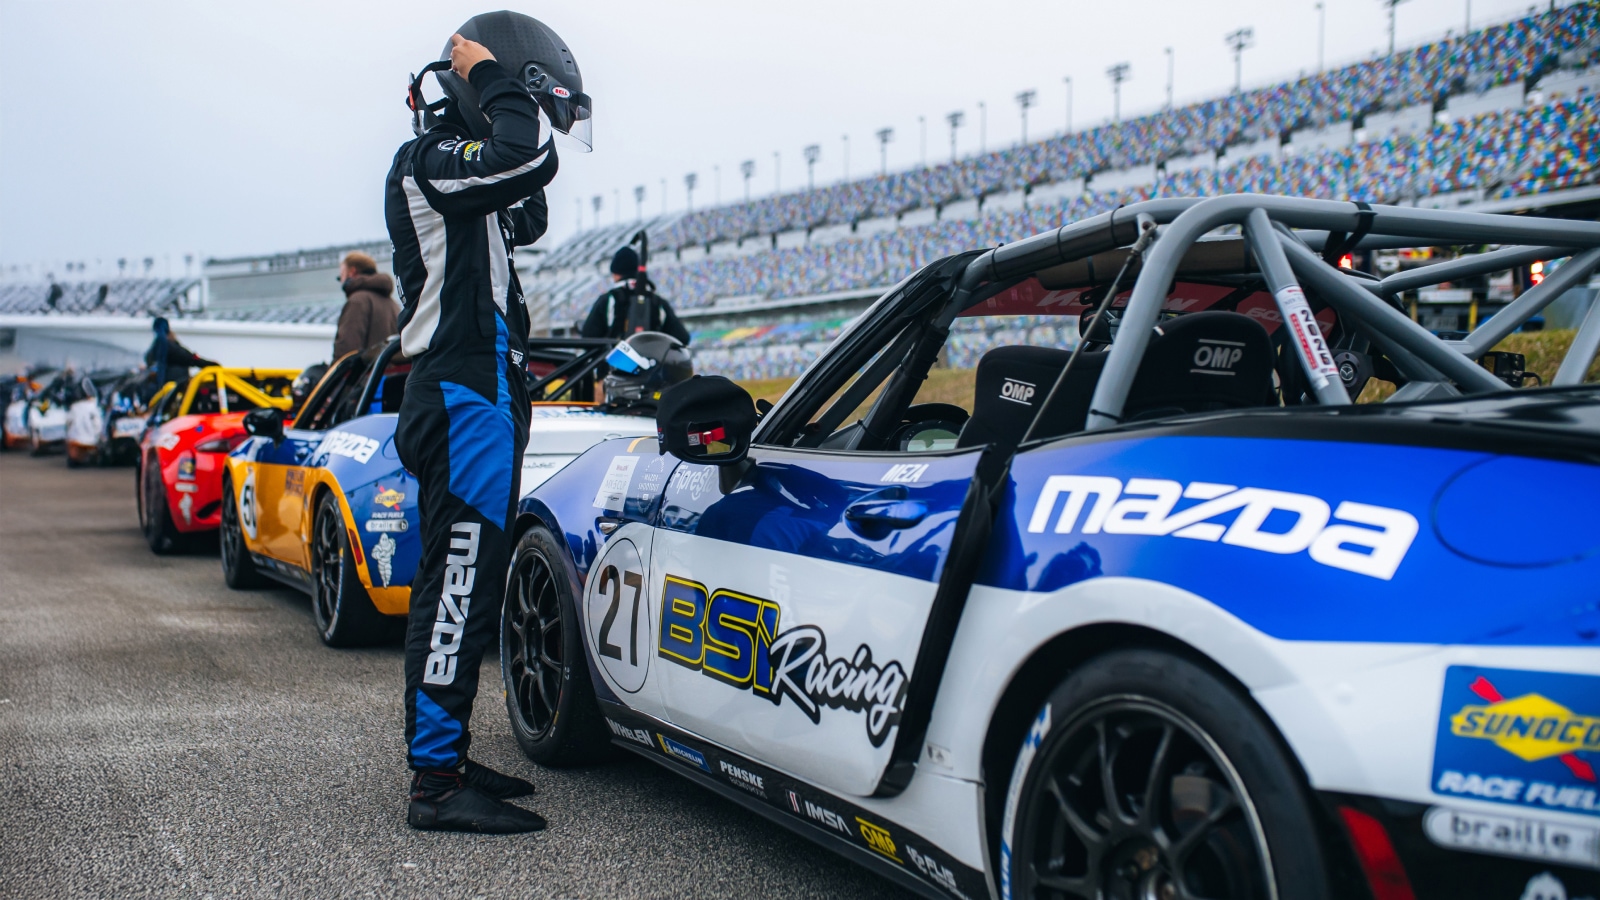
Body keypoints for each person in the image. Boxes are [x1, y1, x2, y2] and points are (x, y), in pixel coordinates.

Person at [384, 11, 589, 835]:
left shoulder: (470, 178)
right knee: (458, 581)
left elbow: (528, 199)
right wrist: (487, 76)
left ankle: (449, 755)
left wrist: (499, 90)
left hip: (481, 392)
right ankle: (435, 783)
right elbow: (523, 154)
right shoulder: (429, 159)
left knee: (462, 580)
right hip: (462, 393)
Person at [579, 246, 691, 344]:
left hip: (615, 366)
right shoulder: (657, 302)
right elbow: (682, 338)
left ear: (616, 273)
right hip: (652, 366)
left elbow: (588, 336)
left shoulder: (608, 300)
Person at [332, 252, 399, 359]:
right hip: (391, 373)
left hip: (368, 374)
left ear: (352, 272)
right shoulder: (392, 303)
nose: (341, 281)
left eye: (342, 275)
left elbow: (347, 351)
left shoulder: (357, 301)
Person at [143, 317, 217, 400]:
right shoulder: (171, 347)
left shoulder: (154, 349)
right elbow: (190, 358)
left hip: (161, 393)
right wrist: (211, 364)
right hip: (176, 390)